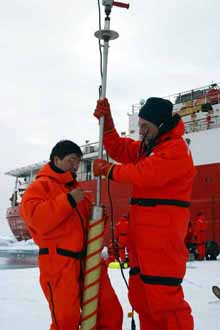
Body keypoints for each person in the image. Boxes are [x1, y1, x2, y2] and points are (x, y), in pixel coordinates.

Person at [93, 97, 196, 330]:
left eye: (144, 126)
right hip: (144, 240)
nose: (140, 131)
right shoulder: (149, 147)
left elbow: (144, 174)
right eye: (139, 125)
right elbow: (119, 148)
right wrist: (107, 124)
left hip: (162, 239)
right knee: (142, 298)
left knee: (164, 300)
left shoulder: (175, 149)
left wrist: (108, 170)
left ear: (159, 124)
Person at [20, 140, 123, 330]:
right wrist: (68, 200)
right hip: (59, 263)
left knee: (109, 311)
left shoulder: (77, 190)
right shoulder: (40, 187)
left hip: (88, 260)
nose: (76, 165)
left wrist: (99, 216)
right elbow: (37, 219)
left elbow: (88, 227)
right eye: (72, 160)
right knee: (66, 319)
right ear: (56, 160)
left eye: (78, 161)